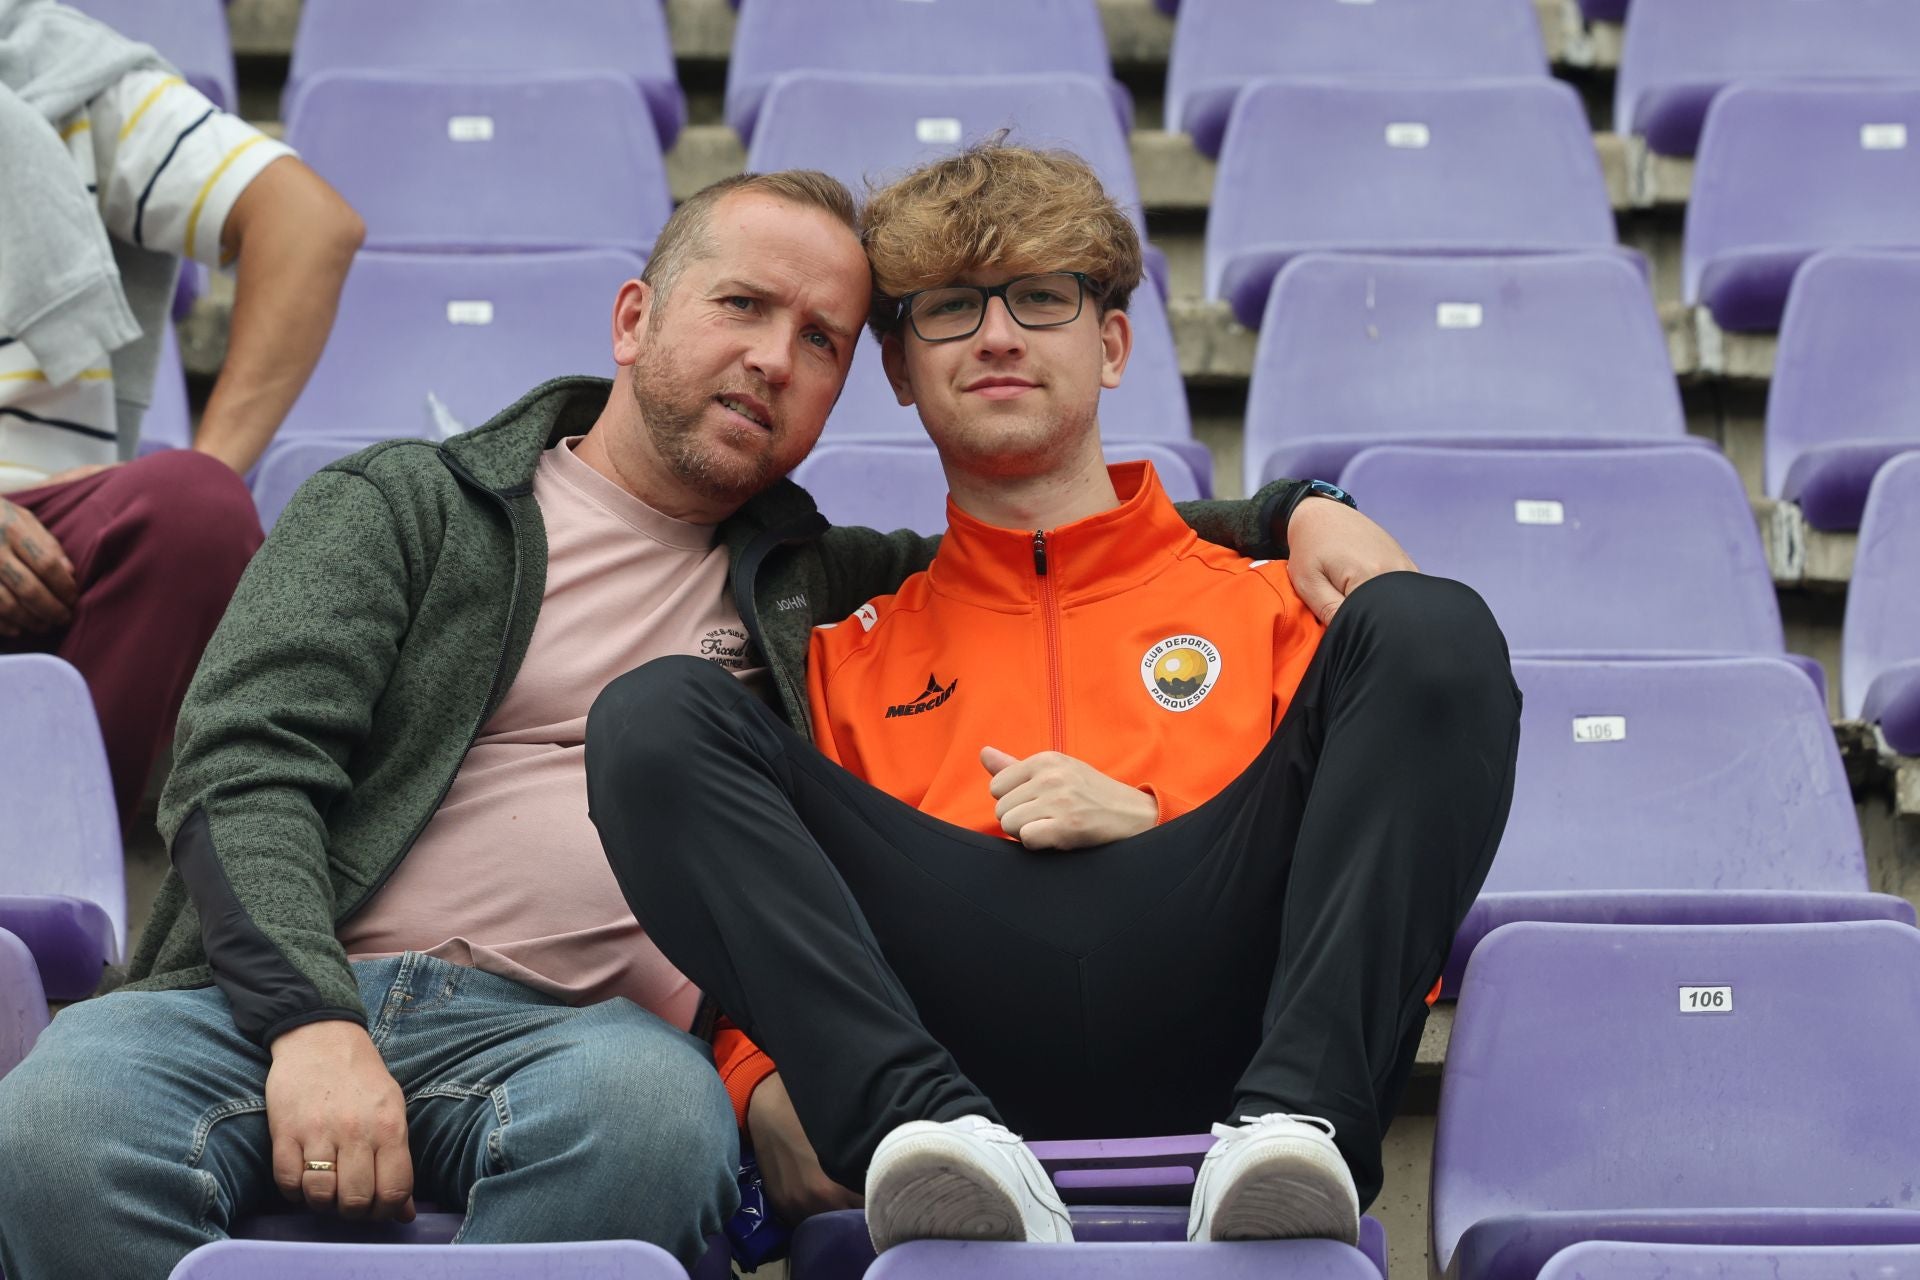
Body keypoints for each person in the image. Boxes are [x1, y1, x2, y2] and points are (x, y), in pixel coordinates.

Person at [0, 161, 1412, 1276]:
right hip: (269, 1004)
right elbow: (243, 769)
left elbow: (1054, 525)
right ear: (635, 319)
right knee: (58, 1131)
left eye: (820, 341)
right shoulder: (408, 506)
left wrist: (1299, 512)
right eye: (740, 307)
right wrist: (312, 1026)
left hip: (576, 1041)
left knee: (656, 1139)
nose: (774, 359)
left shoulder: (819, 585)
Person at [585, 145, 1523, 1252]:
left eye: (1040, 298)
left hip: (1237, 1009)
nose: (996, 336)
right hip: (953, 1039)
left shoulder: (1284, 606)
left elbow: (1381, 878)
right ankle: (919, 1124)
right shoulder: (839, 648)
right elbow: (774, 919)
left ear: (1112, 341)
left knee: (1435, 624)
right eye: (949, 308)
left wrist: (1154, 818)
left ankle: (1299, 1119)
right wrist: (753, 1082)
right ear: (896, 367)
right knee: (651, 717)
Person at [0, 0, 364, 824]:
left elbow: (310, 223)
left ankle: (48, 852)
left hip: (51, 551)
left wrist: (216, 459)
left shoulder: (58, 64)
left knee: (192, 507)